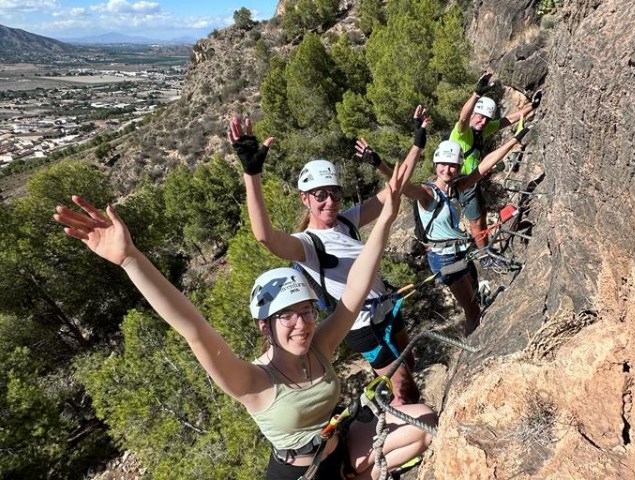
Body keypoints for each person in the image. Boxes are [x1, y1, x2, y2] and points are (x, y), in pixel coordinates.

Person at [52, 162, 436, 480]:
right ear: (264, 326)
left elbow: (356, 284)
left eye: (305, 311)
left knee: (422, 421)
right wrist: (130, 260)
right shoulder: (253, 381)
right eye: (285, 316)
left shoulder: (322, 345)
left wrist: (386, 217)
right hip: (301, 473)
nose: (300, 323)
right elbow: (193, 328)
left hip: (337, 449)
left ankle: (358, 472)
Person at [230, 107, 429, 406]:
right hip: (361, 325)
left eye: (334, 193)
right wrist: (252, 174)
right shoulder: (308, 245)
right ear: (304, 198)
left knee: (409, 362)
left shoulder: (347, 221)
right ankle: (399, 434)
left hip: (386, 305)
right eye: (320, 195)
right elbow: (265, 237)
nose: (329, 202)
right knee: (405, 391)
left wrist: (417, 144)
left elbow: (394, 189)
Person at [401, 125, 529, 336]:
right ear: (435, 164)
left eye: (452, 165)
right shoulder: (427, 194)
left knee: (474, 299)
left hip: (459, 251)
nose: (447, 170)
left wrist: (513, 141)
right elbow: (403, 187)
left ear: (459, 167)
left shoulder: (457, 187)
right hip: (444, 259)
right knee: (472, 310)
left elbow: (484, 166)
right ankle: (474, 347)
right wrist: (381, 164)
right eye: (443, 164)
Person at [451, 71, 542, 258]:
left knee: (481, 215)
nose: (482, 121)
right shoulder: (463, 131)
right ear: (473, 114)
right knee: (476, 221)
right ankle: (485, 256)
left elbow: (508, 120)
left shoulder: (482, 129)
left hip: (473, 180)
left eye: (485, 118)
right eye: (479, 116)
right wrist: (476, 94)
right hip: (461, 184)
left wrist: (531, 107)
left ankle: (485, 250)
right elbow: (462, 118)